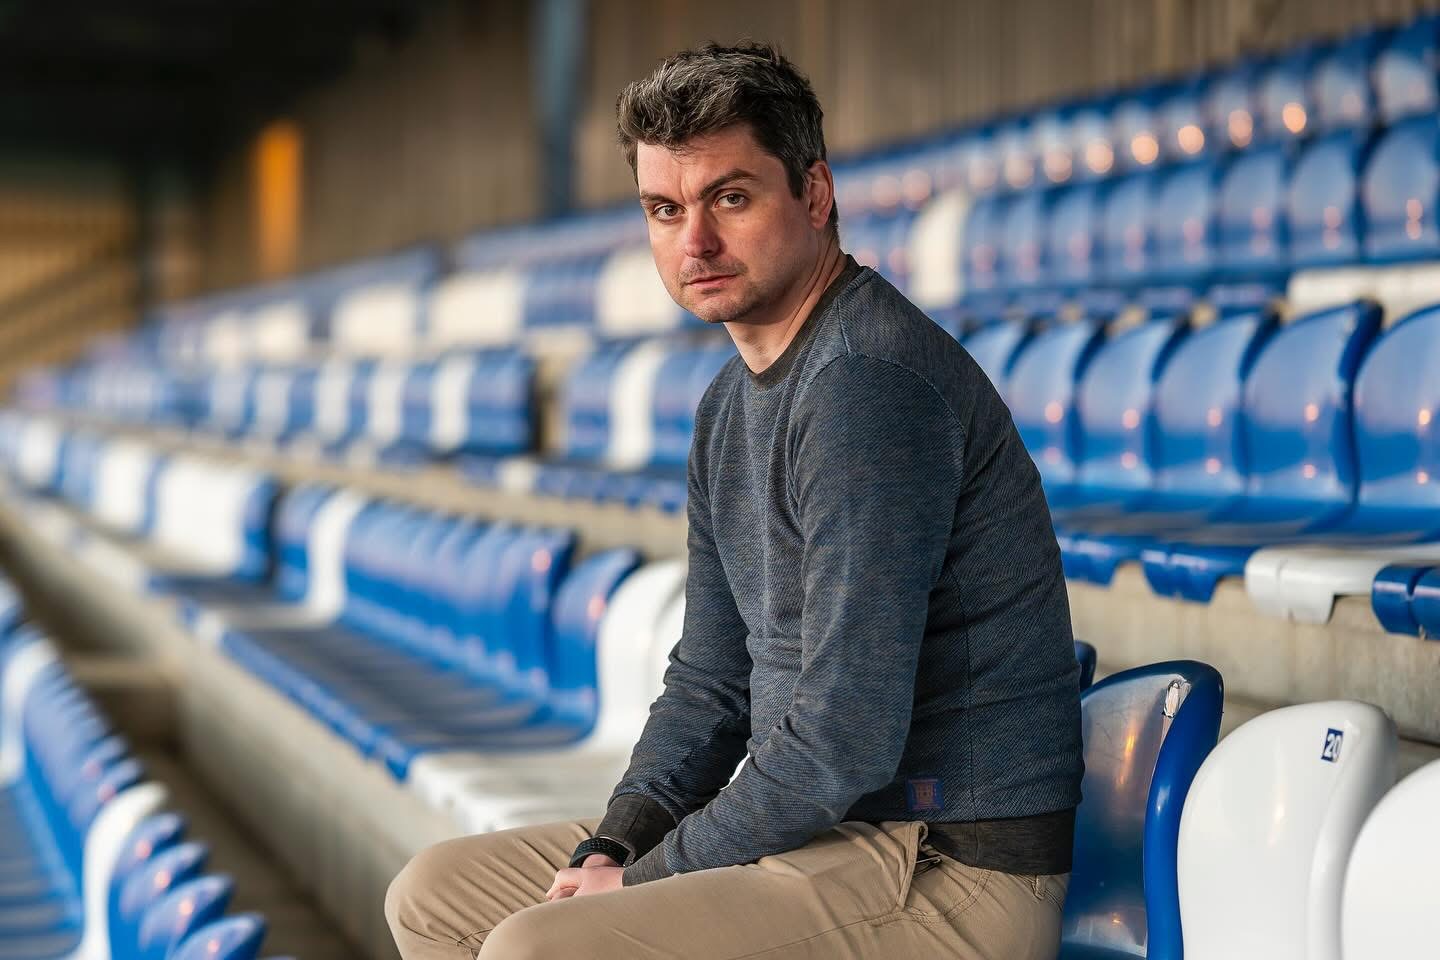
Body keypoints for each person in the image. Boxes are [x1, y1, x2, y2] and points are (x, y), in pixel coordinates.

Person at [386, 41, 1083, 960]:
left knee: (543, 949)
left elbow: (844, 737)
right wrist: (617, 842)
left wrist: (641, 885)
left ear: (815, 193)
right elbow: (712, 680)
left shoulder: (864, 385)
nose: (695, 243)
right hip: (829, 833)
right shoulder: (728, 403)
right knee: (435, 898)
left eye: (731, 198)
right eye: (665, 210)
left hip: (945, 864)